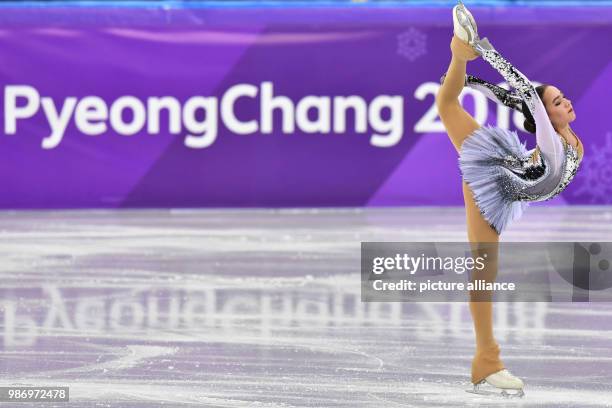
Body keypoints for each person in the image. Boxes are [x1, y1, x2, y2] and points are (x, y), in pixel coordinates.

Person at [435, 1, 584, 398]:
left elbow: (519, 100)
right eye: (557, 102)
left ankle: (458, 54)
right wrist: (484, 54)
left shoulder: (573, 142)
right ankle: (487, 362)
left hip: (509, 170)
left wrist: (478, 83)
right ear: (547, 121)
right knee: (484, 269)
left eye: (563, 97)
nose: (565, 102)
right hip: (493, 183)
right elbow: (528, 99)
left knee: (450, 102)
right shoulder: (552, 143)